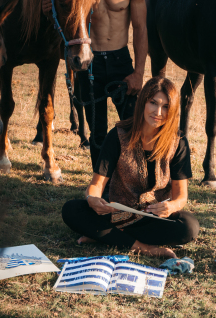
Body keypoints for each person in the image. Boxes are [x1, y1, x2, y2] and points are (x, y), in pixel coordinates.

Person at [62, 77, 199, 258]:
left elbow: (180, 196)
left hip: (153, 218)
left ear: (172, 110)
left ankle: (106, 235)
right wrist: (92, 199)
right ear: (143, 102)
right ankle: (145, 248)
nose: (158, 112)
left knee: (189, 227)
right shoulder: (118, 135)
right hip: (117, 212)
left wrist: (172, 206)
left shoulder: (178, 142)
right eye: (153, 103)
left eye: (166, 106)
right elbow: (97, 184)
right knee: (72, 210)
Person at [77, 0, 148, 167]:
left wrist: (139, 73)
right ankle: (101, 186)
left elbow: (140, 29)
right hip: (90, 64)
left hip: (120, 62)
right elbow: (65, 18)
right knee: (96, 134)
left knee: (131, 130)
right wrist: (47, 8)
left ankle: (132, 182)